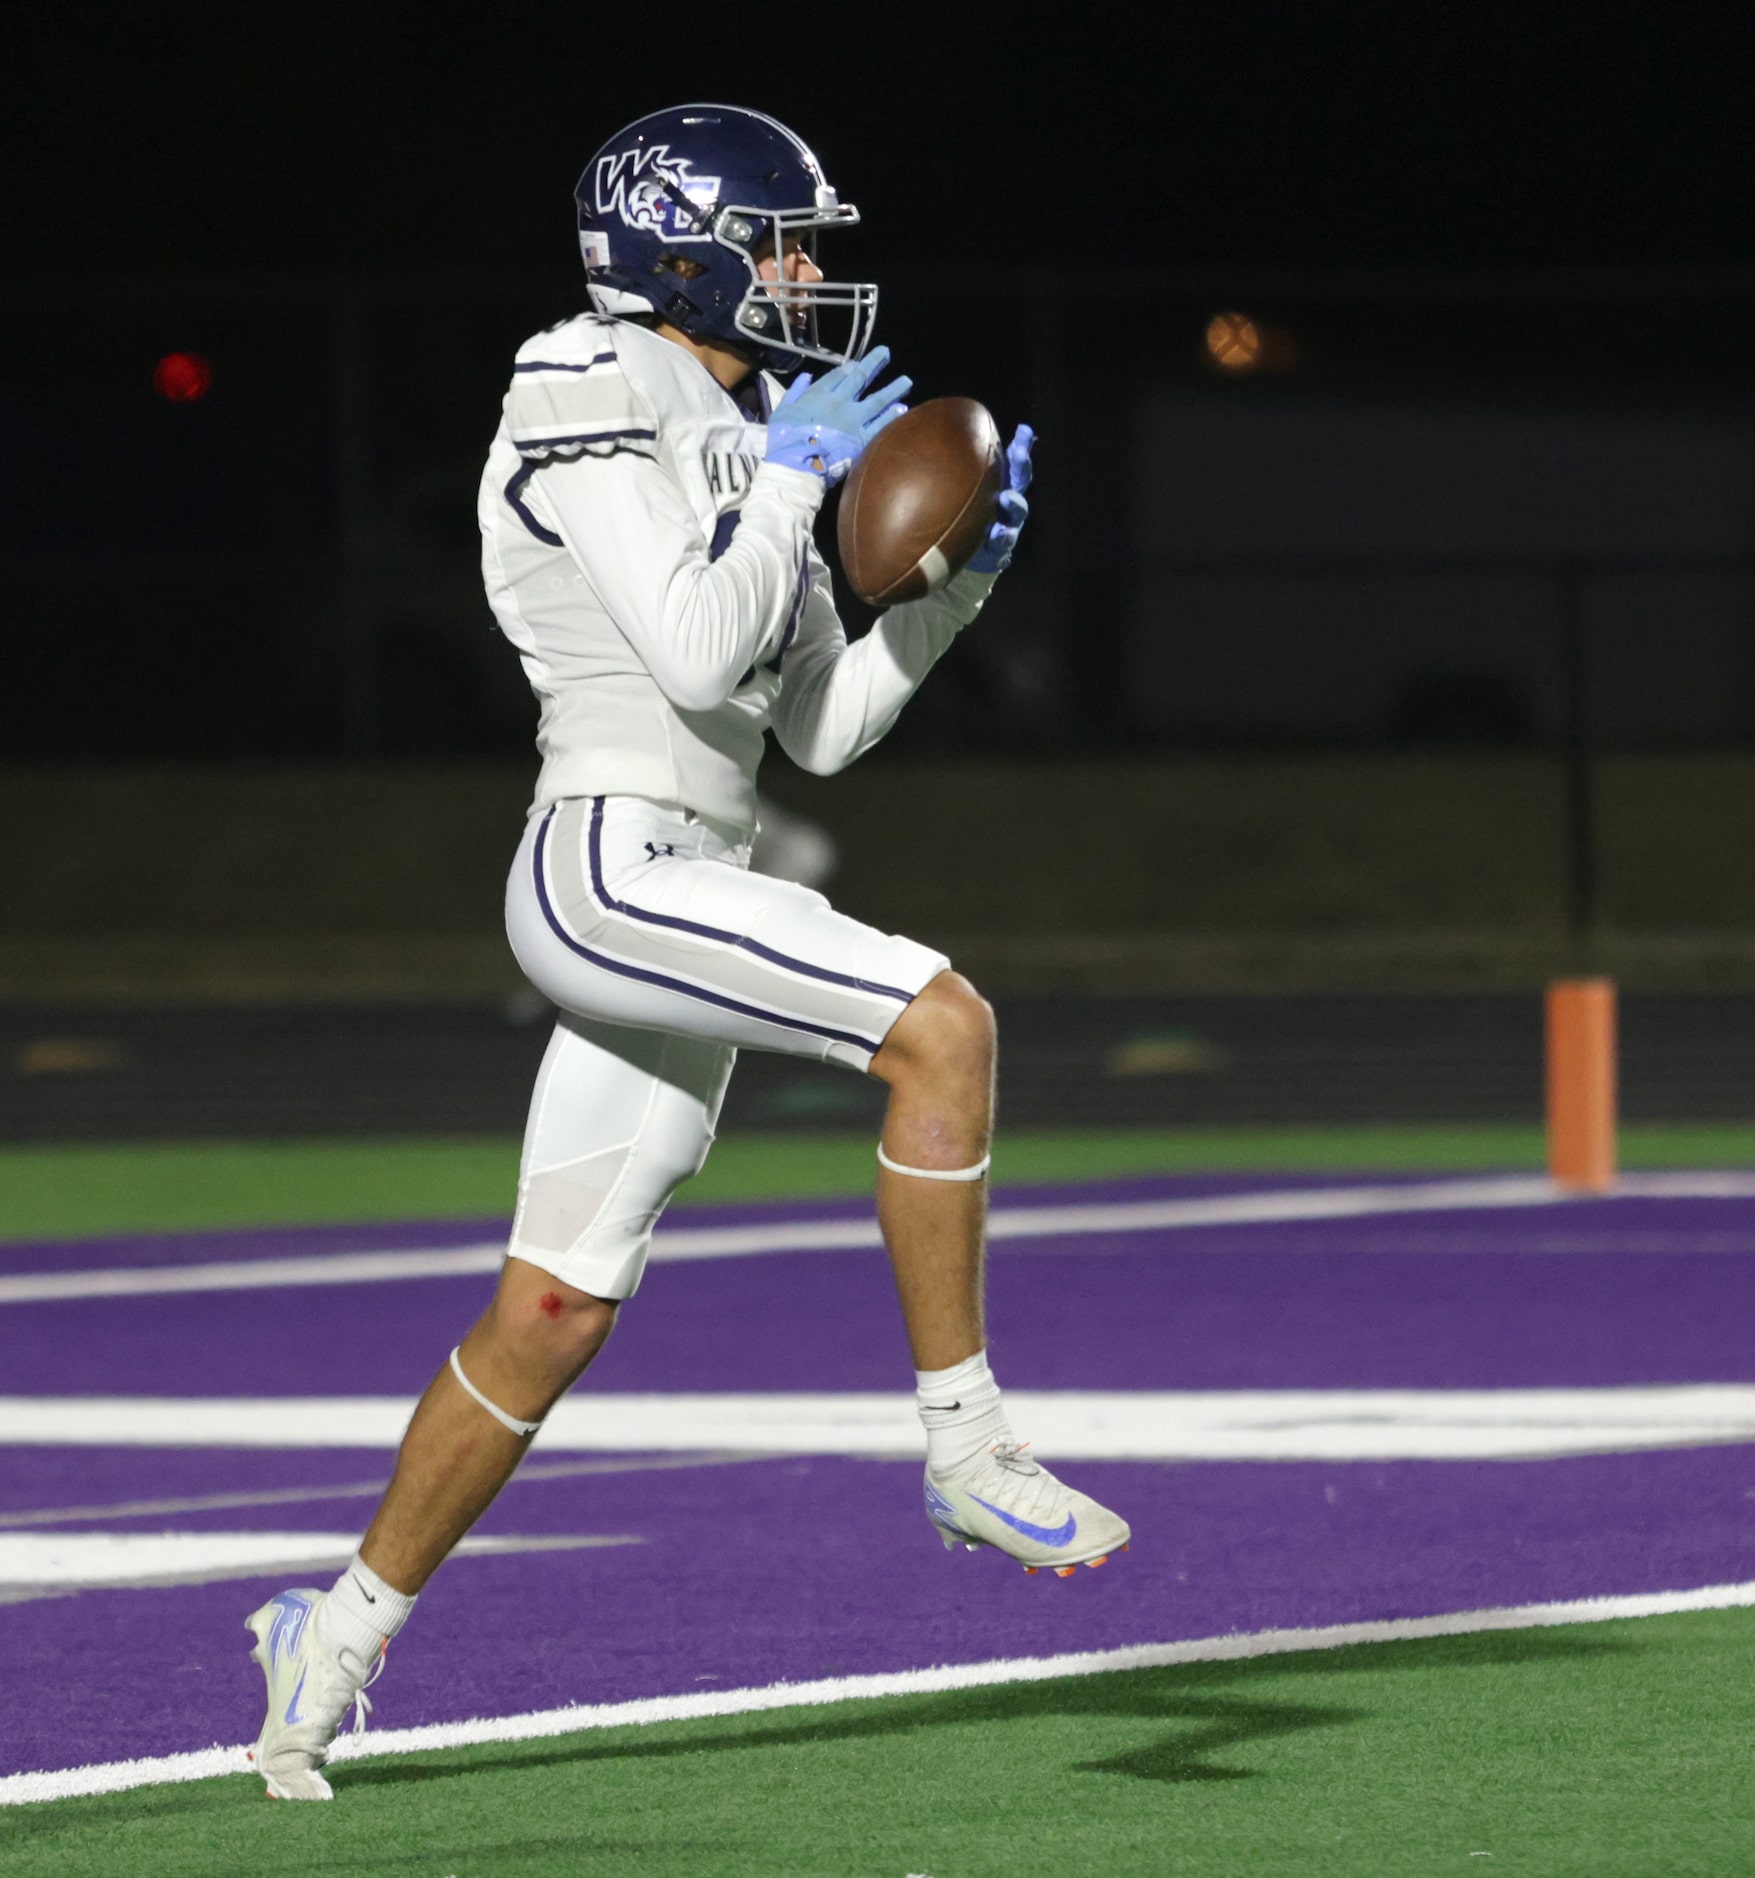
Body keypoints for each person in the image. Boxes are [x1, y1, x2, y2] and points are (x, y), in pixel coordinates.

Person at [240, 103, 1127, 1803]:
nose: (809, 273)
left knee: (555, 1307)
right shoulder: (580, 376)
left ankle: (329, 1634)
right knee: (943, 1024)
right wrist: (790, 477)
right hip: (602, 859)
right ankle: (967, 1441)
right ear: (683, 249)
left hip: (689, 871)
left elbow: (818, 729)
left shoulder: (737, 422)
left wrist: (947, 596)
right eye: (783, 241)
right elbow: (696, 650)